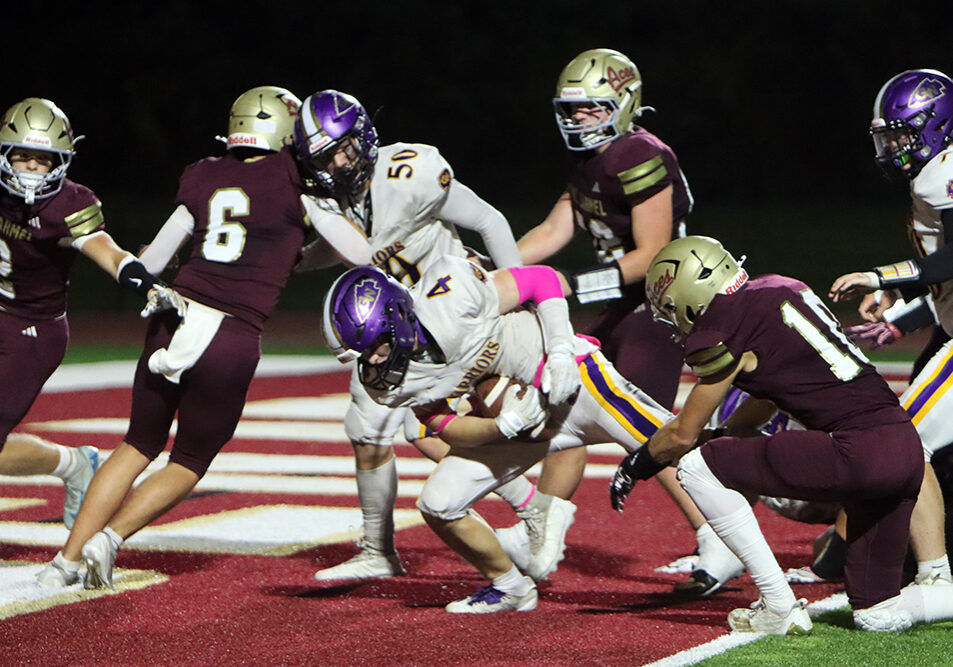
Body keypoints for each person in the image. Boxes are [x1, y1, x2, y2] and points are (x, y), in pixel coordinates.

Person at [36, 85, 370, 589]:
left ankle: (64, 561)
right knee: (189, 460)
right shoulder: (295, 180)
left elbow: (151, 263)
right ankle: (111, 538)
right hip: (230, 336)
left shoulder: (204, 173)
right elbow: (360, 254)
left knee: (136, 444)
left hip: (174, 317)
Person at [294, 90, 575, 583]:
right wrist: (295, 261)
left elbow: (488, 219)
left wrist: (513, 286)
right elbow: (351, 249)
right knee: (370, 431)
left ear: (364, 137)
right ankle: (379, 549)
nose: (338, 164)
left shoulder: (408, 174)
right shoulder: (328, 200)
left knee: (440, 428)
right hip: (388, 330)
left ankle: (532, 509)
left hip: (450, 315)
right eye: (325, 157)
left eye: (344, 149)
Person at [611, 235, 953, 634]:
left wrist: (636, 464)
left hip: (857, 451)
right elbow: (772, 392)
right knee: (877, 614)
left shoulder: (724, 326)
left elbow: (683, 435)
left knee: (695, 468)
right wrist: (727, 434)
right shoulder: (780, 287)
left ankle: (777, 603)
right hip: (904, 449)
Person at [511, 47, 740, 595]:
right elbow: (554, 229)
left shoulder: (639, 153)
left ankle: (721, 537)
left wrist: (567, 284)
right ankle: (541, 536)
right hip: (622, 304)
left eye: (592, 108)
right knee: (563, 404)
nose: (579, 118)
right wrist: (498, 273)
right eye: (572, 109)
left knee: (646, 429)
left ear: (624, 104)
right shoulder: (590, 158)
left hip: (661, 303)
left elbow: (651, 254)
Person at [323, 258, 674, 612]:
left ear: (397, 316)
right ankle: (511, 586)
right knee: (439, 502)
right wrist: (500, 426)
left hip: (570, 380)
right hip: (523, 416)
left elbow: (540, 278)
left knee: (675, 448)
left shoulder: (450, 293)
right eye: (362, 353)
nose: (372, 361)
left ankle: (709, 542)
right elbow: (446, 427)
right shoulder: (388, 382)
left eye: (374, 345)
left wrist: (561, 353)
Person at [0, 97, 181, 530]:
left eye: (44, 159)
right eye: (22, 156)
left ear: (61, 162)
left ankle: (73, 464)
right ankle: (76, 463)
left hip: (32, 331)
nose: (31, 167)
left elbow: (107, 251)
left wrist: (146, 283)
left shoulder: (69, 203)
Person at [828, 68, 953, 588]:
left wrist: (883, 276)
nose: (893, 147)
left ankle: (925, 572)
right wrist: (901, 311)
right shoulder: (936, 172)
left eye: (902, 135)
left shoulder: (943, 172)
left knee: (899, 442)